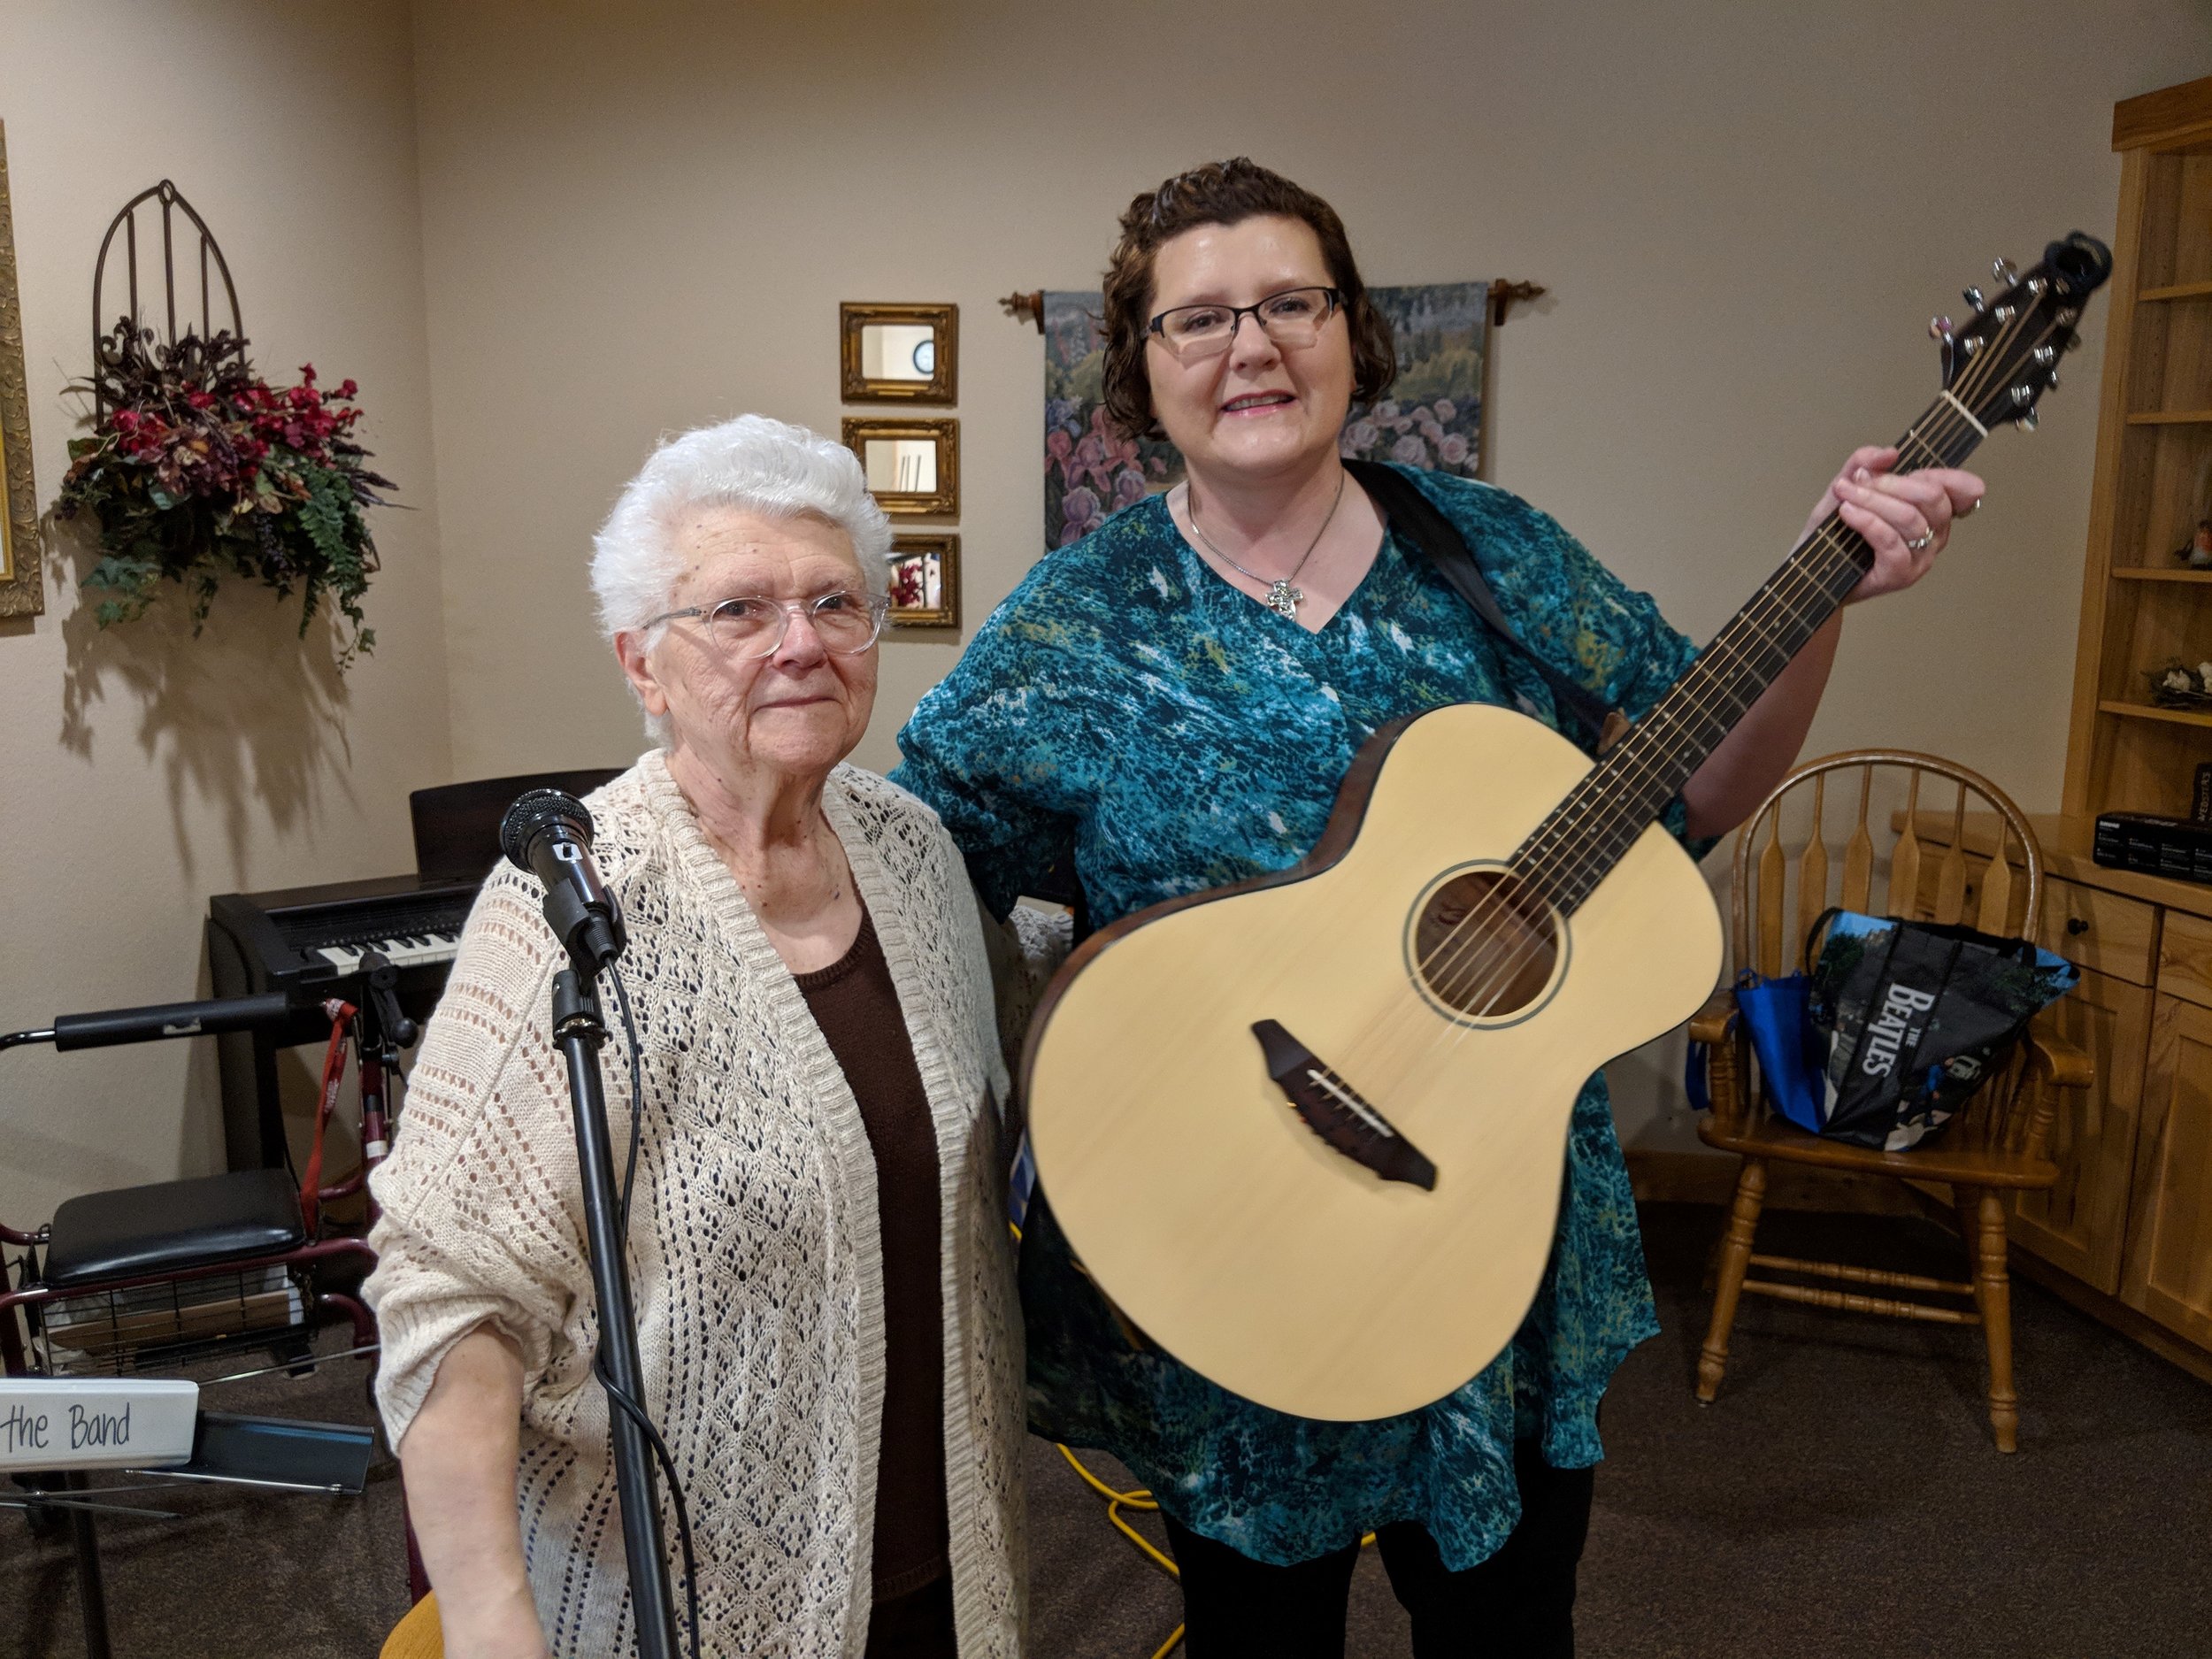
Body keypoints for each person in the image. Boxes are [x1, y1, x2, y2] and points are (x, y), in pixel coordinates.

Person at [891, 158, 1980, 1658]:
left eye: (1291, 302)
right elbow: (923, 845)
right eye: (1196, 319)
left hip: (1491, 1199)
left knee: (1511, 1630)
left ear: (1354, 334)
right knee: (1259, 1635)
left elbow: (1698, 787)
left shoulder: (1496, 554)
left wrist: (1828, 605)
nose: (1251, 345)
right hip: (1237, 1216)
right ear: (1138, 373)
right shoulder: (1079, 620)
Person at [364, 416, 1025, 1659]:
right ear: (642, 664)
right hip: (684, 1603)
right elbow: (448, 1296)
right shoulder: (571, 908)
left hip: (945, 1558)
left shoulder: (914, 855)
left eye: (836, 602)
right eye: (737, 611)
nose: (799, 645)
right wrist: (493, 1623)